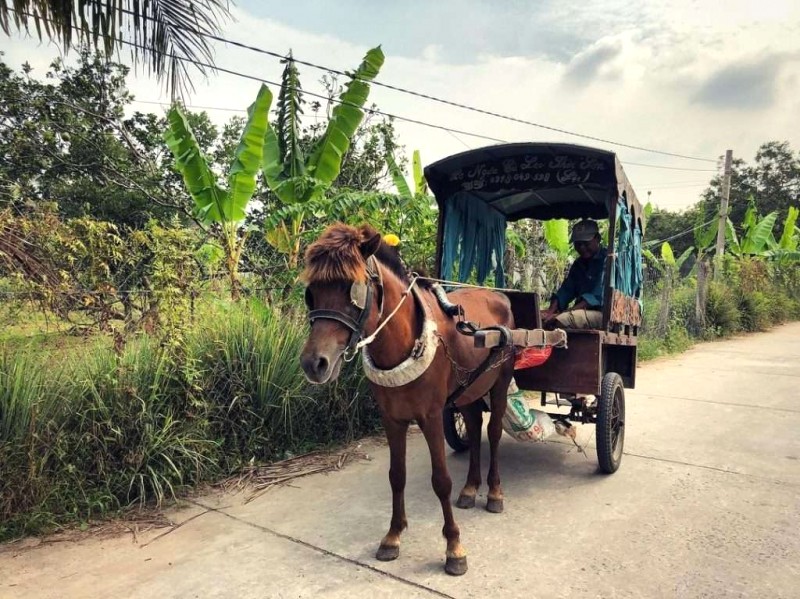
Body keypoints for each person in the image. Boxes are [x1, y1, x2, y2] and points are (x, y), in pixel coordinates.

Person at [540, 219, 606, 330]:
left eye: (586, 243)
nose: (581, 248)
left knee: (561, 320)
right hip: (580, 312)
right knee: (538, 317)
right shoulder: (578, 264)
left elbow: (594, 298)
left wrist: (565, 312)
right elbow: (566, 290)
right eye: (578, 244)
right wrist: (550, 311)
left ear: (597, 239)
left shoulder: (607, 260)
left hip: (602, 314)